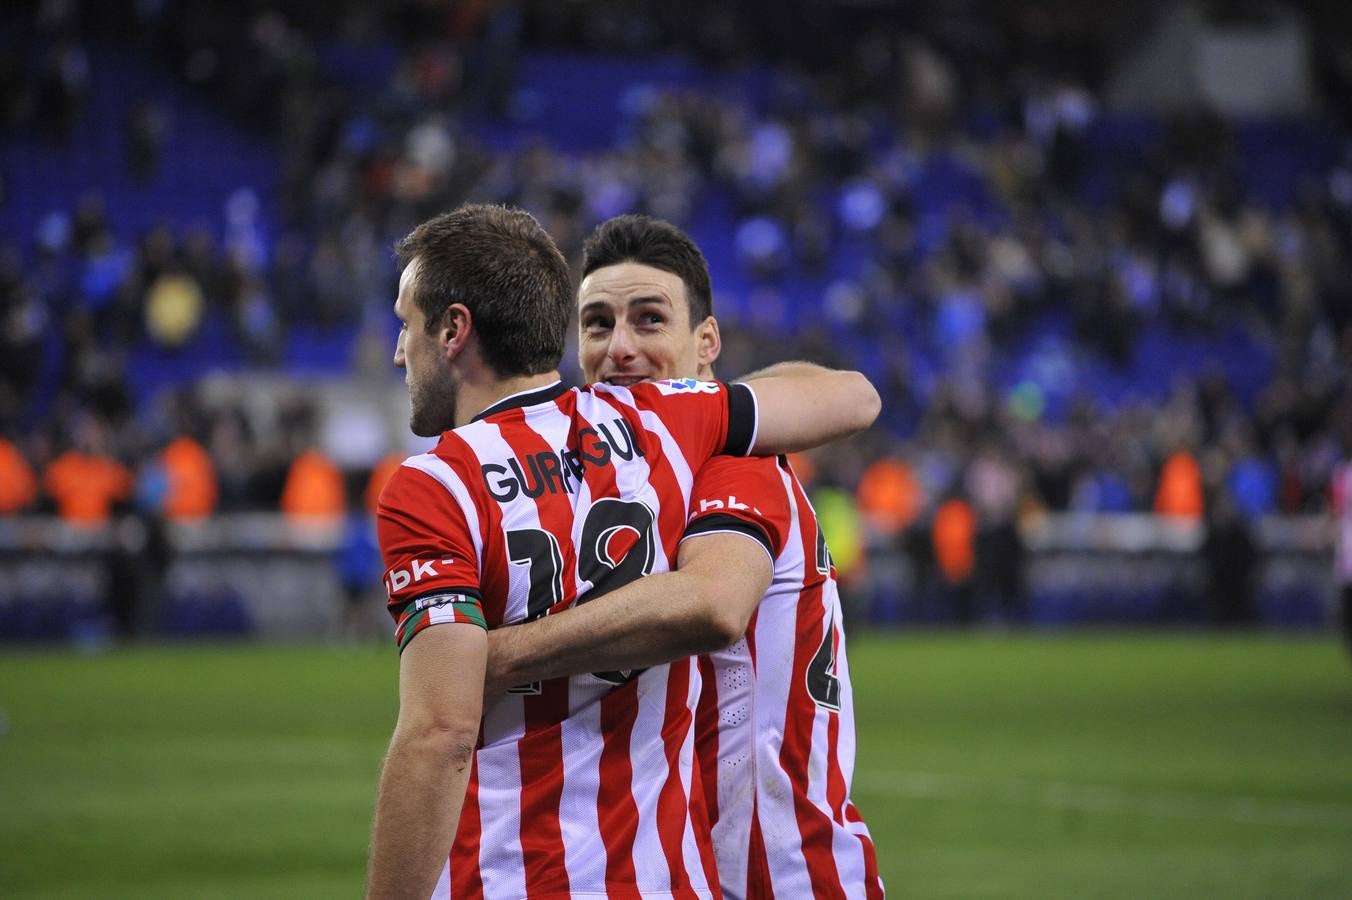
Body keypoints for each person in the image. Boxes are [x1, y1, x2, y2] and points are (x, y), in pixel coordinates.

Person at [366, 204, 881, 898]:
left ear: (707, 344)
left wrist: (487, 658)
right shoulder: (656, 430)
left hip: (777, 873)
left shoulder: (722, 450)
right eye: (597, 325)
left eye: (649, 320)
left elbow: (712, 603)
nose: (620, 350)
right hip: (674, 870)